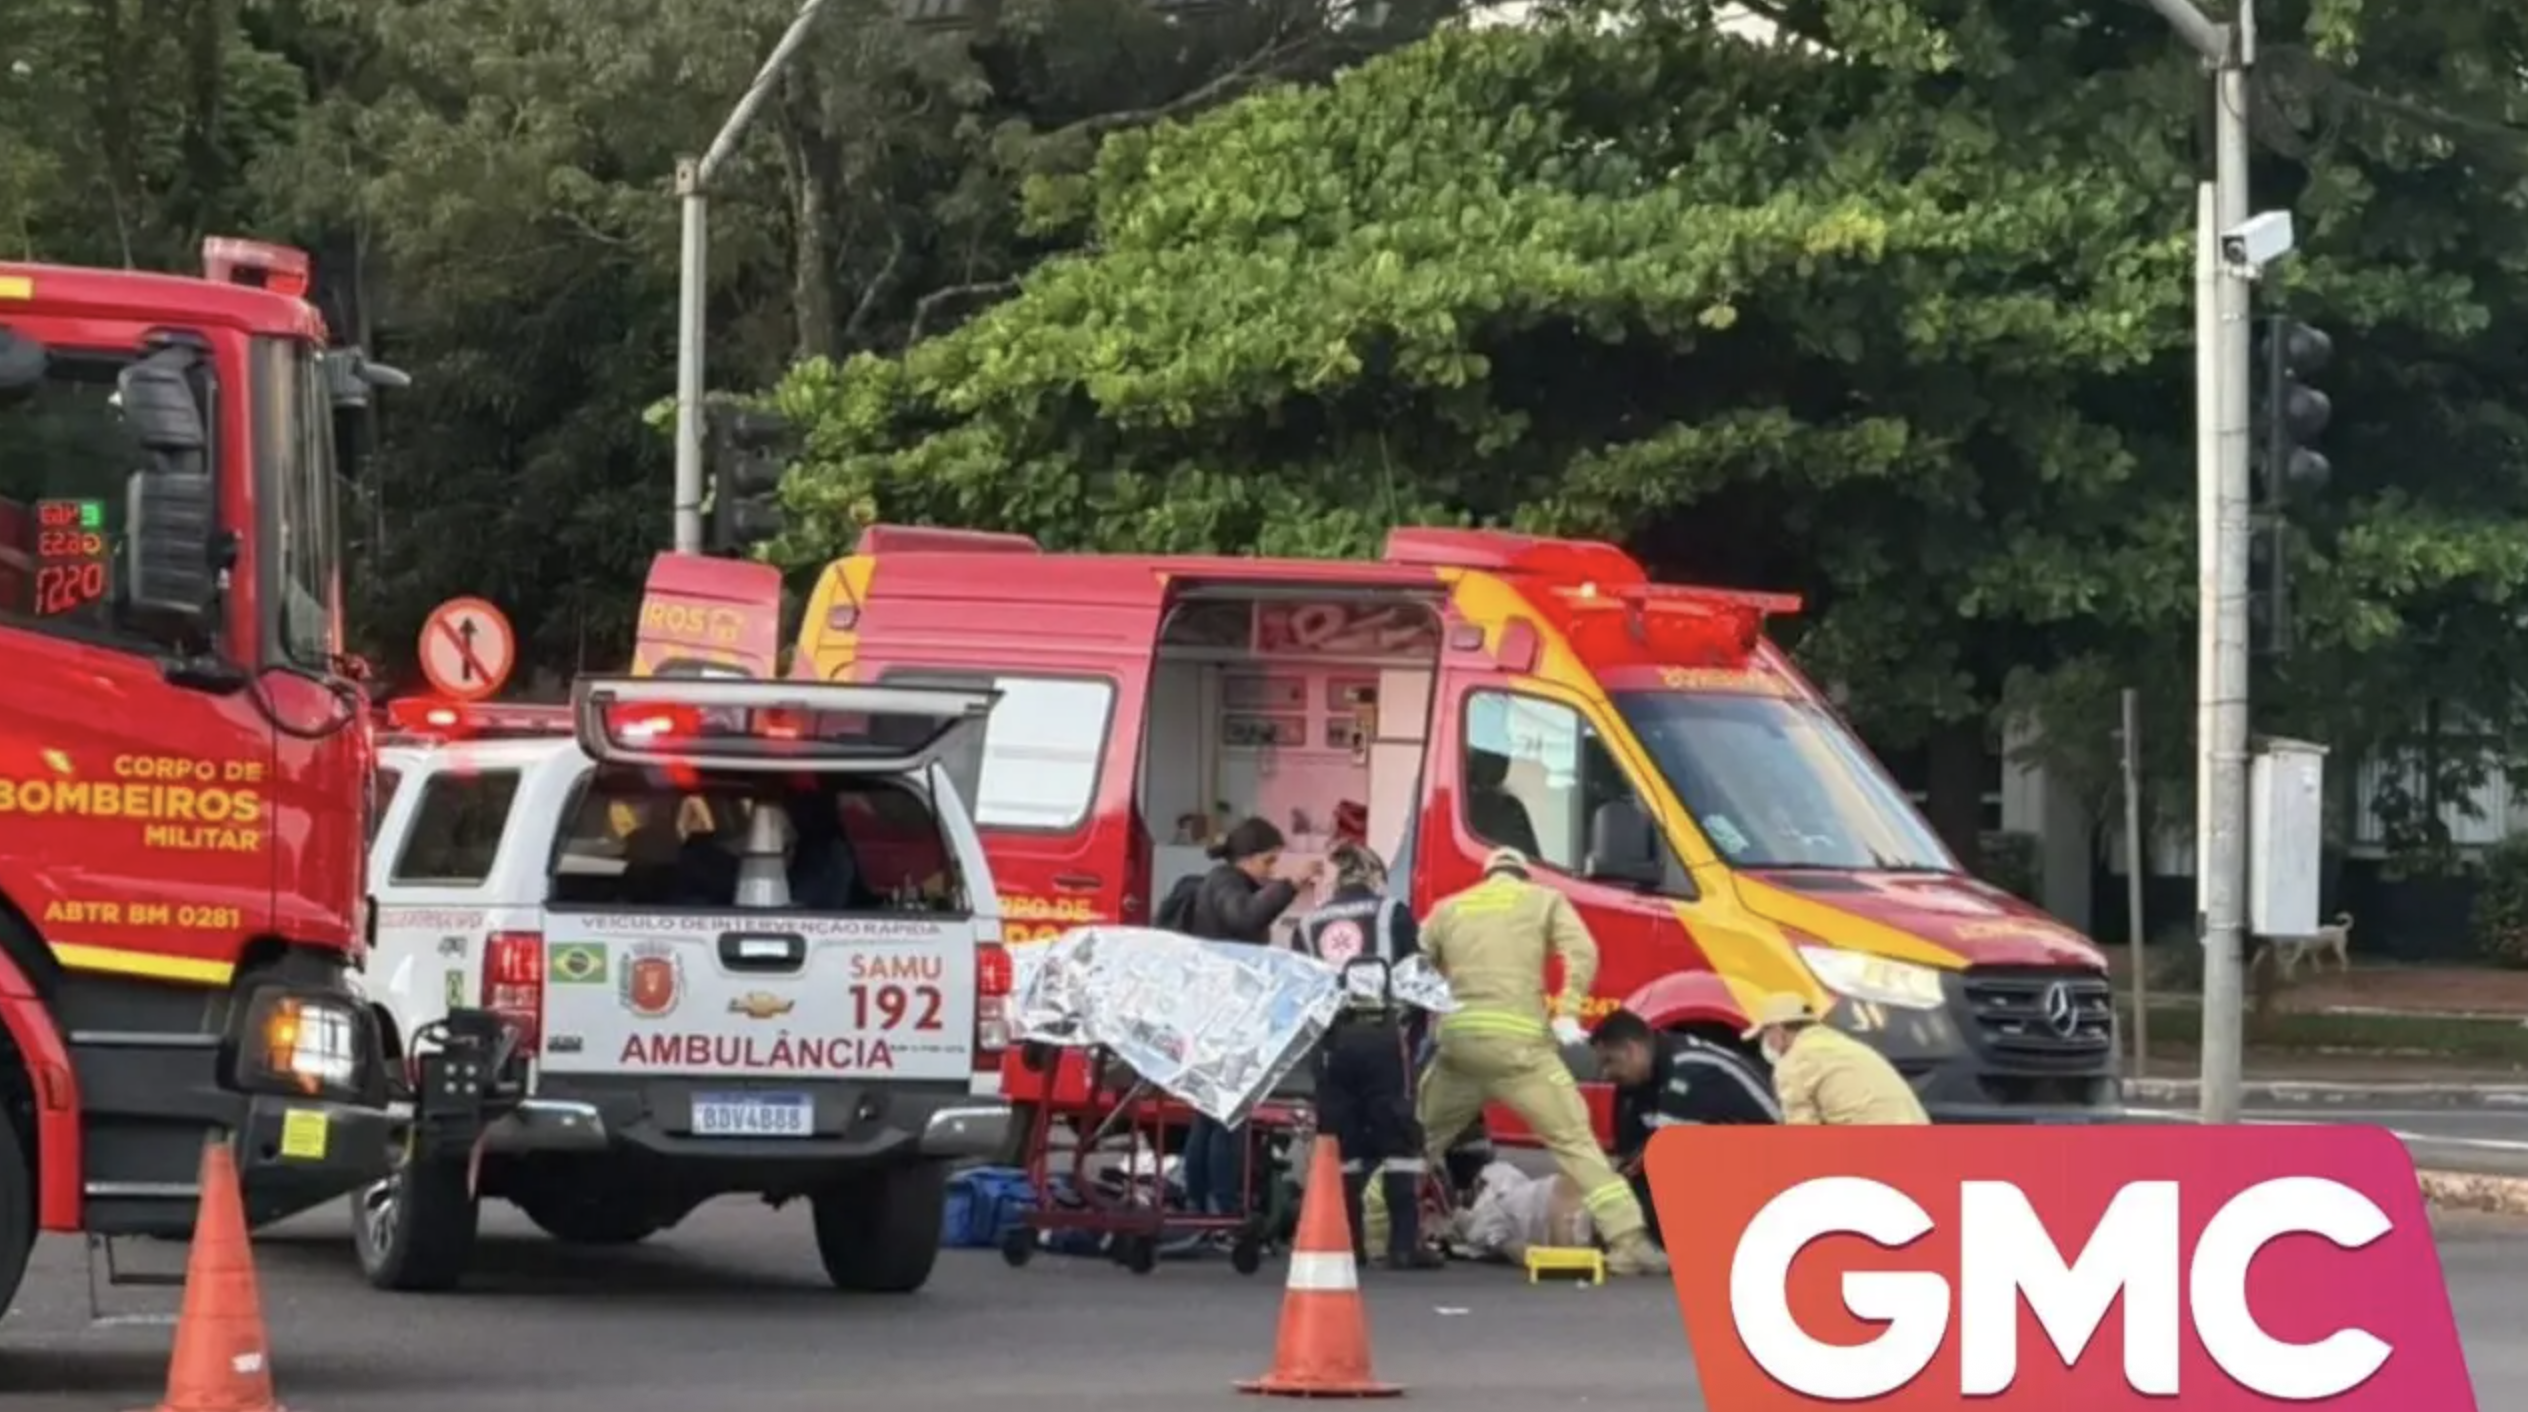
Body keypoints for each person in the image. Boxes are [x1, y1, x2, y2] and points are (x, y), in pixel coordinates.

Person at [1414, 847, 1666, 1277]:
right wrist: (1566, 1008)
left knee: (1415, 1143)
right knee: (1574, 1141)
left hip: (1460, 1047)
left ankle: (1374, 1228)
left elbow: (1414, 966)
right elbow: (1583, 952)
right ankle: (1629, 1242)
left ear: (1487, 875)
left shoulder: (1449, 909)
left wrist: (1437, 1017)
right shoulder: (1544, 900)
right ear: (1523, 876)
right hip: (1522, 1049)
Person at [1295, 842, 1442, 1270]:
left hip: (1331, 1043)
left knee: (1344, 1142)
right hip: (1381, 1037)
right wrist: (1414, 1041)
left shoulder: (1307, 924)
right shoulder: (1391, 912)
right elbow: (1416, 982)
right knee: (1398, 1137)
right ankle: (1403, 1244)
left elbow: (1302, 992)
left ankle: (1348, 1243)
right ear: (1374, 875)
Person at [1176, 817, 1319, 1227]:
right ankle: (1221, 1206)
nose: (1271, 871)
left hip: (1219, 1013)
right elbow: (1245, 918)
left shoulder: (1222, 884)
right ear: (1251, 858)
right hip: (1223, 1017)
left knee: (1210, 1115)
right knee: (1228, 1114)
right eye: (1269, 862)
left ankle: (1199, 1203)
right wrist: (1289, 885)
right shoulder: (1225, 884)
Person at [1589, 1007, 1779, 1246]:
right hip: (1729, 1163)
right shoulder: (1635, 1081)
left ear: (1631, 1050)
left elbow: (1654, 1158)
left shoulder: (1689, 1069)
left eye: (1609, 1062)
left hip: (1772, 1169)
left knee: (1646, 1202)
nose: (1606, 1074)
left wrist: (1603, 1199)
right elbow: (1626, 1155)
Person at [1742, 993, 1930, 1126]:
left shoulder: (1795, 1060)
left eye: (1764, 1035)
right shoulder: (1840, 1044)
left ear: (1777, 1030)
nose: (1765, 1043)